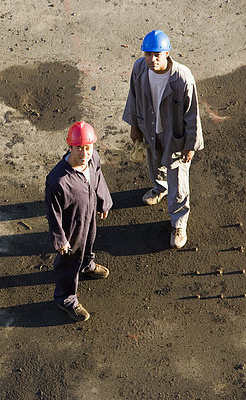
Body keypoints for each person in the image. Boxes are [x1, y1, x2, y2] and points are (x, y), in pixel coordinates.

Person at [123, 29, 204, 249]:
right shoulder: (140, 68)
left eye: (157, 54)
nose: (152, 59)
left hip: (175, 137)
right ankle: (160, 187)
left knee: (178, 181)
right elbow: (133, 96)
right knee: (154, 164)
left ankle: (179, 224)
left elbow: (192, 114)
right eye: (148, 54)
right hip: (149, 129)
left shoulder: (182, 79)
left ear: (167, 53)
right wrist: (134, 126)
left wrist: (190, 145)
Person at [45, 121, 113, 321]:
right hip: (70, 226)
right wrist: (60, 239)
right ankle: (65, 299)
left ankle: (87, 265)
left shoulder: (93, 160)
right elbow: (53, 212)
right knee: (69, 261)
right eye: (79, 148)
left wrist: (103, 202)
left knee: (89, 241)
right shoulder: (58, 181)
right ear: (70, 147)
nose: (85, 153)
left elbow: (98, 178)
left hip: (89, 213)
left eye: (88, 147)